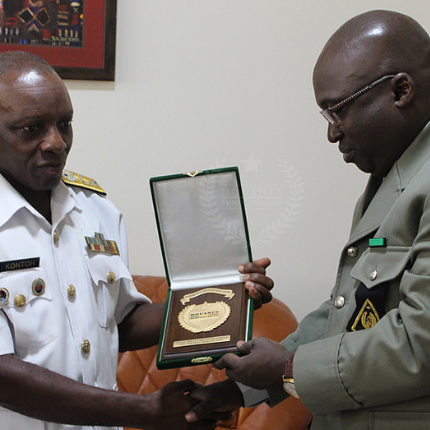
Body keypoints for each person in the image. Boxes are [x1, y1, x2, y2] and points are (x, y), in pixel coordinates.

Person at [0, 50, 274, 430]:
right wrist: (143, 411)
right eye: (32, 129)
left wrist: (226, 297)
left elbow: (119, 324)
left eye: (65, 124)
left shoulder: (96, 211)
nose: (57, 143)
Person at [185, 9, 430, 430]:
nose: (332, 133)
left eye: (338, 111)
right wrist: (241, 389)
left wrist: (289, 367)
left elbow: (419, 341)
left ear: (401, 90)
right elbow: (347, 313)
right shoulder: (394, 177)